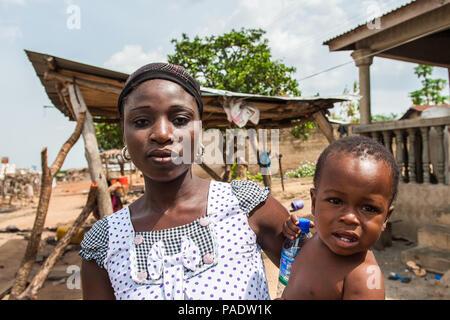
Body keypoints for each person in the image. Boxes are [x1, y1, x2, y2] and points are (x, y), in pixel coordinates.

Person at [79, 62, 291, 300]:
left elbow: (319, 282)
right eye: (141, 122)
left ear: (200, 128)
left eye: (180, 120)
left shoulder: (247, 206)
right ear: (124, 130)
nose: (161, 134)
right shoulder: (104, 242)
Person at [282, 135, 399, 300]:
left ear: (385, 218)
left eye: (368, 208)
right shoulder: (317, 240)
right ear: (314, 203)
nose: (350, 218)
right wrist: (291, 231)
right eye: (335, 201)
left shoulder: (364, 277)